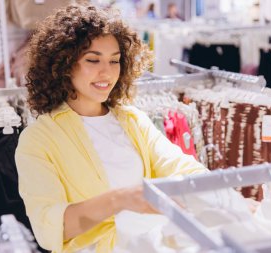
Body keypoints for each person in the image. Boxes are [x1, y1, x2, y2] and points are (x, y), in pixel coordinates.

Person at [15, 4, 207, 253]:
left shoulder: (132, 120)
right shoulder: (38, 139)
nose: (106, 72)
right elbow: (47, 227)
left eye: (114, 61)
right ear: (64, 63)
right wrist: (118, 200)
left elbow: (181, 165)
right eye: (93, 60)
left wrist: (223, 197)